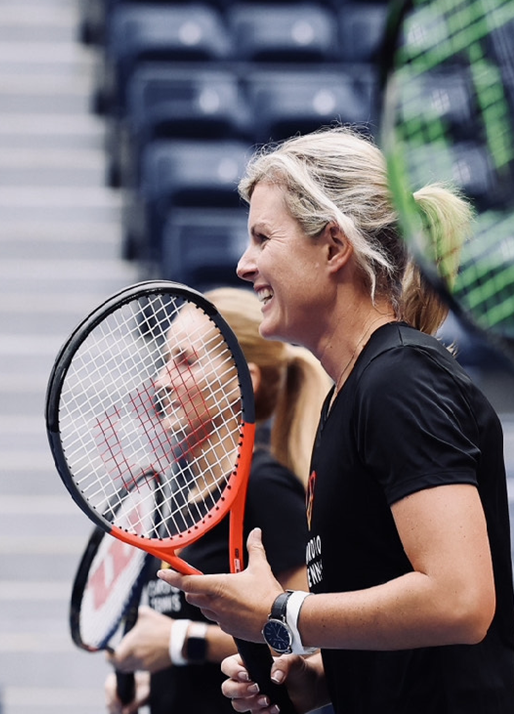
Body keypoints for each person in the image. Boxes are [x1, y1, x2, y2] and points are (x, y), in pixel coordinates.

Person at [160, 127, 514, 713]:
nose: (245, 265)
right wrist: (316, 677)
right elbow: (403, 634)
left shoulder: (400, 378)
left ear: (333, 247)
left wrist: (284, 615)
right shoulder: (349, 395)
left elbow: (461, 600)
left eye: (263, 238)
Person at [103, 288, 329, 714]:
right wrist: (152, 683)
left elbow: (309, 634)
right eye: (165, 361)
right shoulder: (172, 498)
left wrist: (180, 644)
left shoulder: (265, 488)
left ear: (241, 383)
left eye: (184, 361)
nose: (162, 380)